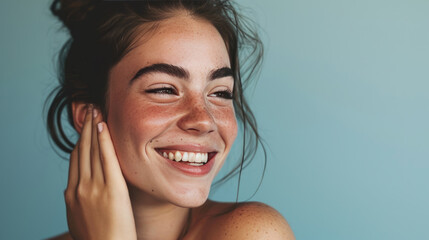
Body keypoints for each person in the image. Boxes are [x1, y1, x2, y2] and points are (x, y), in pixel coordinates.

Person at [46, 0, 295, 239]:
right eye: (164, 90)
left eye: (220, 93)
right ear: (87, 116)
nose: (204, 121)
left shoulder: (255, 234)